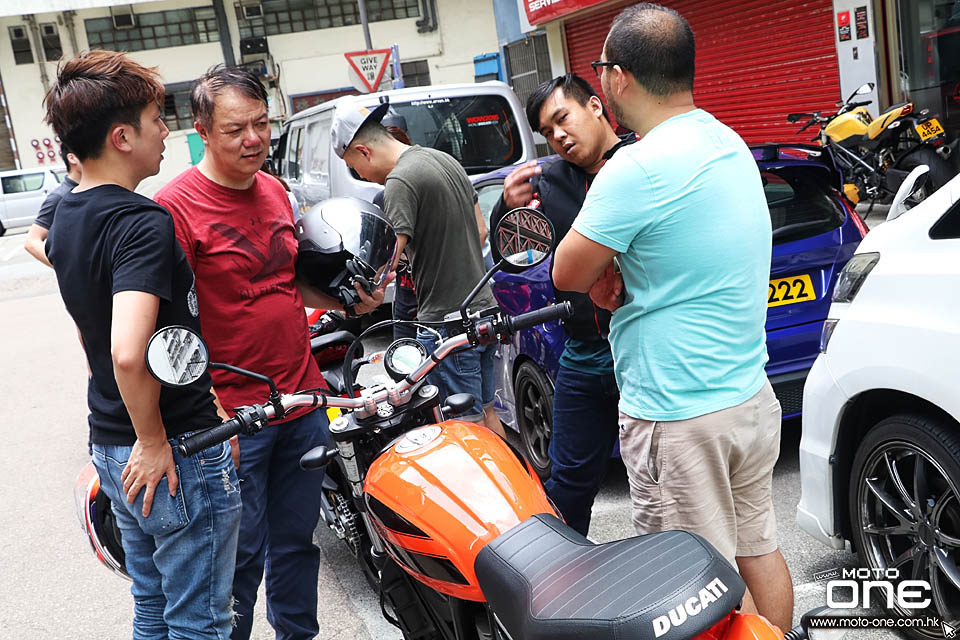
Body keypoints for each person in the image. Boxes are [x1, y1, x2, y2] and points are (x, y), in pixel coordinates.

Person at [552, 3, 794, 630]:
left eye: (601, 67)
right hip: (747, 397)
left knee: (699, 589)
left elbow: (566, 272)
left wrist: (607, 275)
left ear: (619, 77)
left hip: (679, 416)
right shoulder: (726, 140)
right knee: (758, 548)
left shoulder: (635, 169)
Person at [154, 66, 386, 640]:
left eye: (262, 123)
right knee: (239, 559)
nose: (253, 139)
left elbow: (285, 282)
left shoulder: (277, 192)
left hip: (303, 401)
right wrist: (206, 414)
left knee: (296, 545)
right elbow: (167, 324)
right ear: (201, 129)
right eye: (236, 129)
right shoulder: (174, 207)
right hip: (233, 416)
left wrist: (348, 302)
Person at [43, 50, 241, 637]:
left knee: (154, 604)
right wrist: (154, 440)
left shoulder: (67, 216)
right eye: (158, 118)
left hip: (109, 441)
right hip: (168, 449)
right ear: (122, 136)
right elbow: (129, 350)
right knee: (200, 620)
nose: (167, 132)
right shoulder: (140, 221)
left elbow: (92, 335)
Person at [489, 74, 633, 537]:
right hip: (585, 353)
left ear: (595, 105)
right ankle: (567, 586)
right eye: (548, 132)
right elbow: (512, 257)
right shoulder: (548, 183)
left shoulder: (642, 162)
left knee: (661, 482)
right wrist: (504, 209)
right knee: (568, 482)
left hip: (648, 348)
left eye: (562, 119)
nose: (558, 137)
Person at [334, 103, 505, 437]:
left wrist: (365, 292)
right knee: (485, 410)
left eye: (356, 168)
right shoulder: (443, 159)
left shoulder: (400, 180)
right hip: (485, 311)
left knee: (464, 428)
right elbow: (481, 231)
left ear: (363, 151)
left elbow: (387, 262)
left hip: (448, 322)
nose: (365, 178)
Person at [23, 145, 81, 267]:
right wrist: (64, 269)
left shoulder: (94, 190)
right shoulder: (59, 197)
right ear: (72, 158)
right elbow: (31, 241)